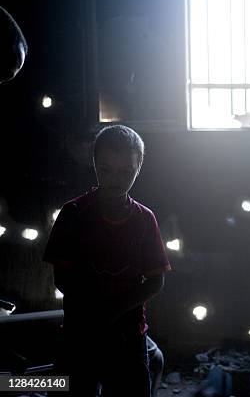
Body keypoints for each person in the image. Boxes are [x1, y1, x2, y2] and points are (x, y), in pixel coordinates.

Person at [44, 125, 170, 396]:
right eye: (106, 169)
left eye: (126, 171)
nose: (116, 179)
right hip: (81, 333)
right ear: (94, 165)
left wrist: (114, 310)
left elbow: (156, 280)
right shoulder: (73, 214)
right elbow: (62, 278)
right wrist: (97, 312)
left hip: (128, 335)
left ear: (139, 168)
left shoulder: (144, 220)